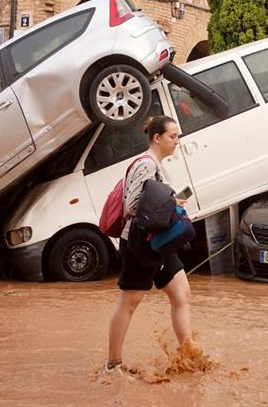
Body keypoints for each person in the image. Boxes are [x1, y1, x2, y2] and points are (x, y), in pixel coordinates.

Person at [104, 115, 193, 378]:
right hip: (140, 245)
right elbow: (132, 206)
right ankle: (113, 365)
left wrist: (174, 203)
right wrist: (172, 204)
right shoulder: (145, 165)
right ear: (157, 138)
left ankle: (189, 356)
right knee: (129, 303)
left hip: (159, 243)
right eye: (173, 136)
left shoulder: (156, 164)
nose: (177, 141)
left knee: (181, 295)